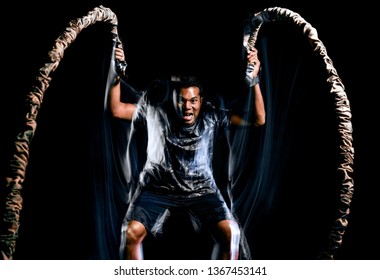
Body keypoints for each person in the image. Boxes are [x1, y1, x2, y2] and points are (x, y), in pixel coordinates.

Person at [109, 46, 265, 260]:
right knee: (130, 233)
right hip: (158, 188)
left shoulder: (212, 116)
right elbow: (116, 108)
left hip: (201, 190)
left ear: (201, 101)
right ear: (173, 99)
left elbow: (258, 119)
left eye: (193, 101)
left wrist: (254, 80)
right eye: (181, 100)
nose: (187, 106)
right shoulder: (155, 111)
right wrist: (116, 73)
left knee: (232, 234)